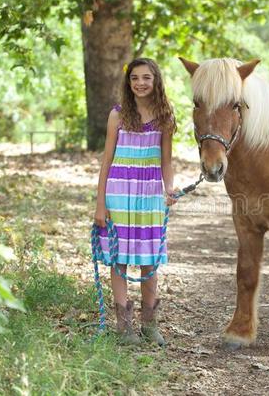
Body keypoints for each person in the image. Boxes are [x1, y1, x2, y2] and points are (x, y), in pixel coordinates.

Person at [94, 58, 177, 345]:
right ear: (128, 83)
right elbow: (106, 162)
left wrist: (170, 189)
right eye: (134, 78)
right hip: (119, 193)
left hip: (150, 193)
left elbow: (166, 161)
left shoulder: (166, 116)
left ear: (156, 81)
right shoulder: (117, 115)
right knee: (119, 261)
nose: (140, 83)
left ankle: (149, 325)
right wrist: (100, 204)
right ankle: (124, 327)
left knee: (148, 260)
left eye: (146, 78)